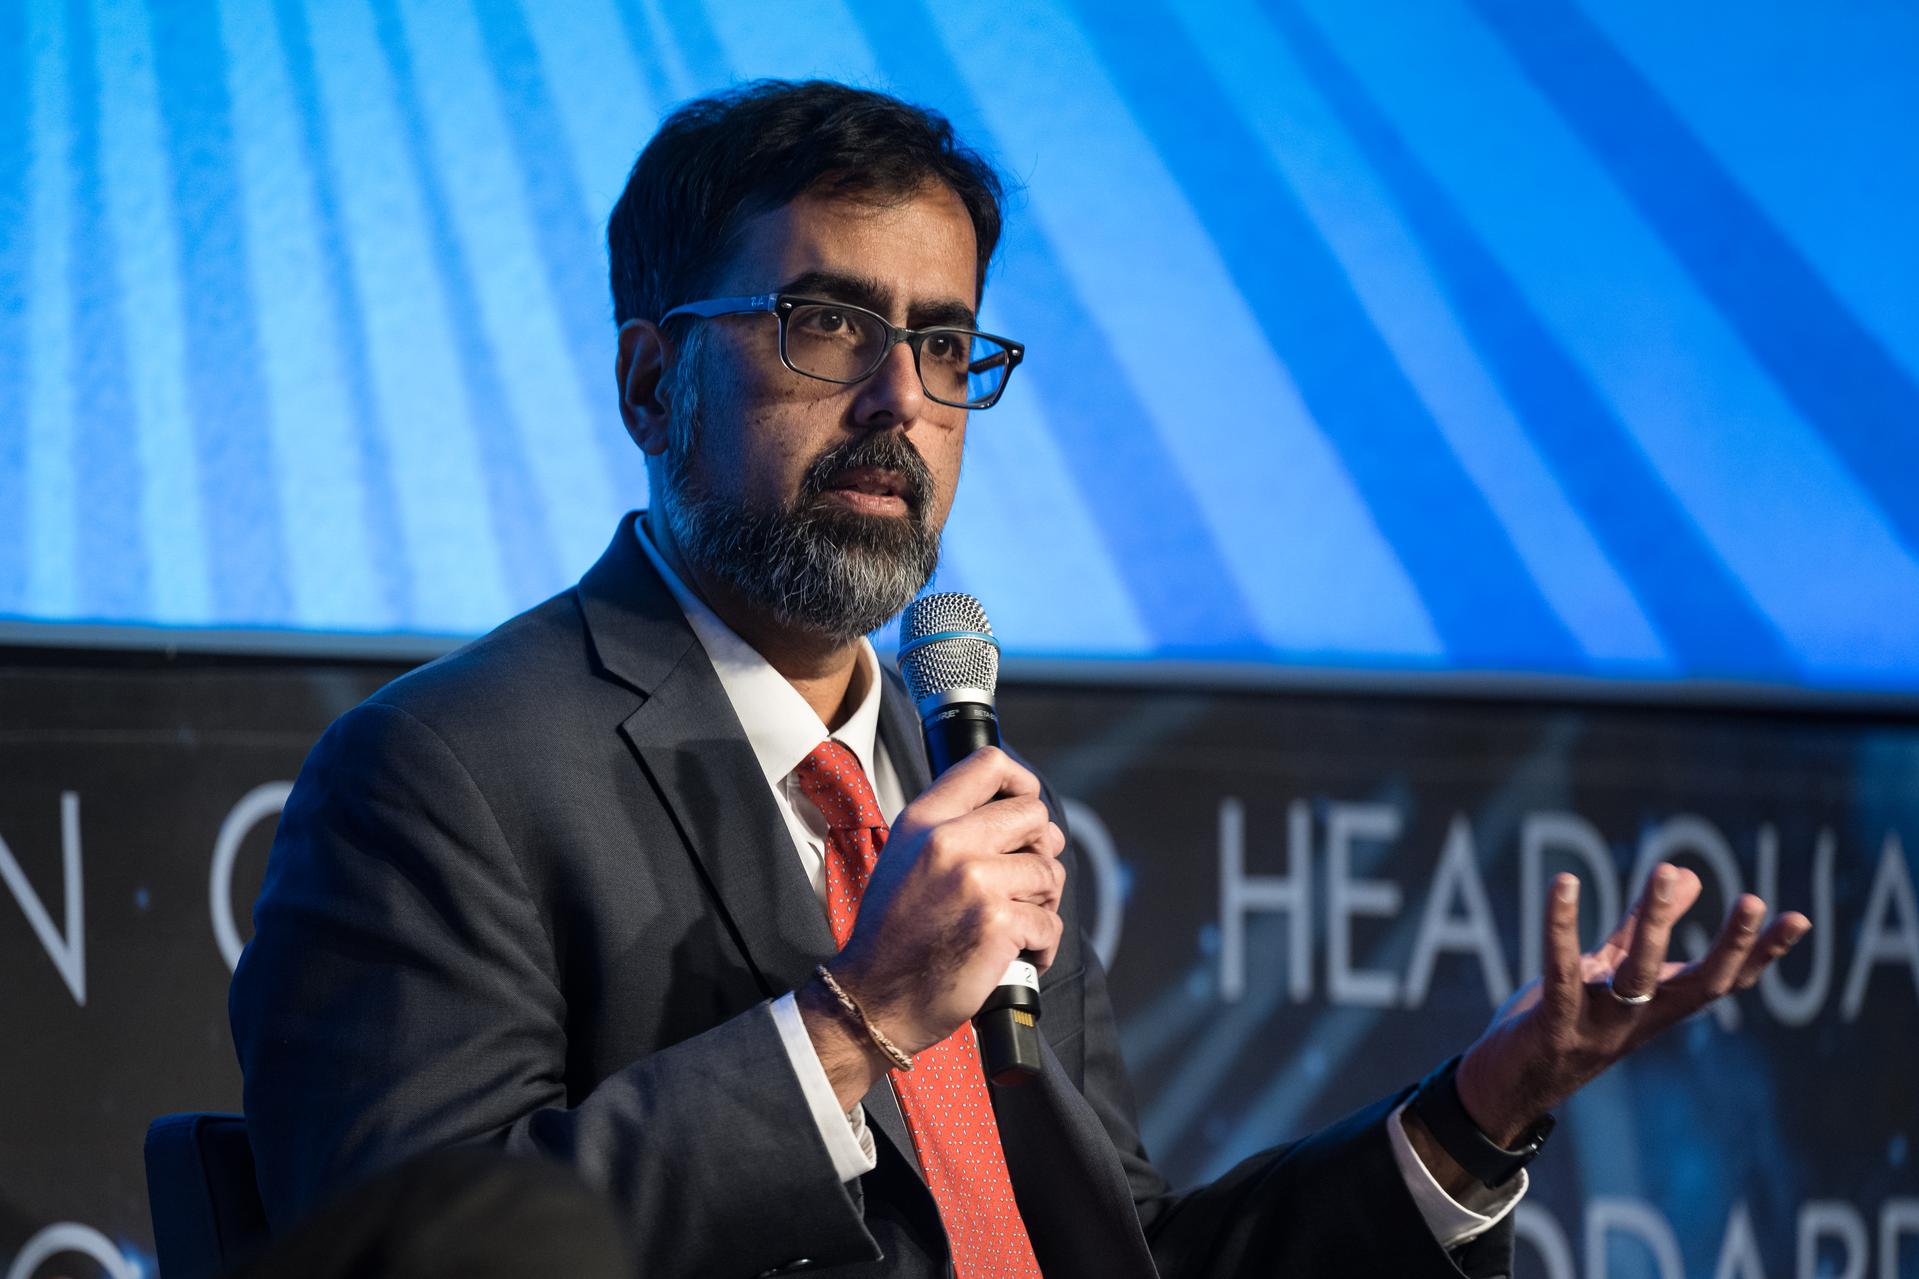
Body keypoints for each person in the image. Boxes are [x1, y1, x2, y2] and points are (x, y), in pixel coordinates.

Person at [229, 80, 1810, 1278]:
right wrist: (852, 1021)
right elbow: (407, 1253)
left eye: (944, 346)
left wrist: (1481, 1104)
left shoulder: (941, 782)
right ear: (655, 379)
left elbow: (1122, 1249)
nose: (898, 404)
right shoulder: (449, 773)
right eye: (826, 326)